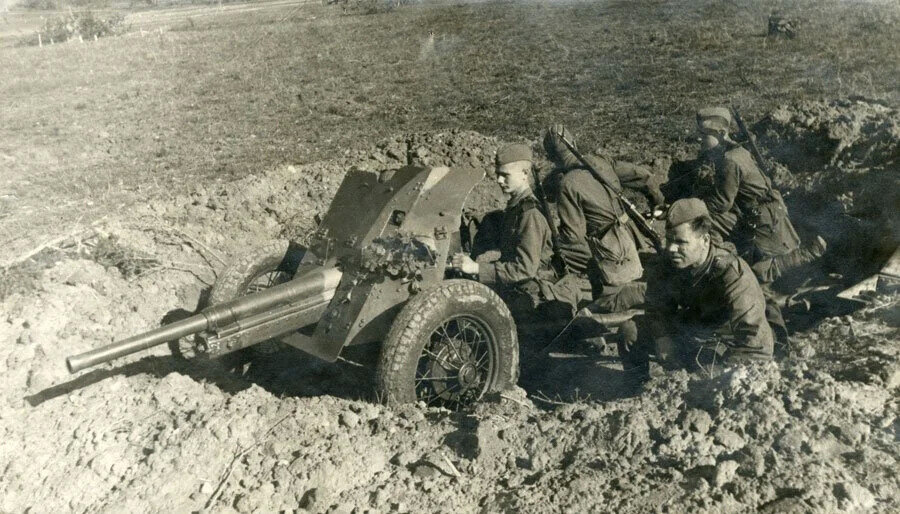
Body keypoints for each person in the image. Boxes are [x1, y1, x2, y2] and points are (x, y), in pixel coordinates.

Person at [623, 199, 775, 380]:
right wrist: (662, 336)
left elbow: (756, 344)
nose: (672, 248)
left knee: (703, 376)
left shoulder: (732, 273)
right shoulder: (669, 264)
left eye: (681, 242)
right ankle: (640, 395)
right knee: (630, 330)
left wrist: (718, 373)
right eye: (669, 240)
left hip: (724, 343)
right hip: (690, 334)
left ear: (705, 240)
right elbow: (656, 309)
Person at [448, 144, 576, 334]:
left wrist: (476, 268)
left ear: (524, 174)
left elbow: (524, 270)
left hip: (536, 297)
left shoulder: (529, 214)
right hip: (521, 288)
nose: (499, 180)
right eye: (498, 174)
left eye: (505, 175)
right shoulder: (515, 208)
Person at [692, 107, 826, 284]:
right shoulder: (737, 152)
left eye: (703, 135)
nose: (698, 139)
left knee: (761, 272)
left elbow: (721, 203)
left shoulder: (730, 161)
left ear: (721, 133)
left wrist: (693, 206)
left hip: (763, 219)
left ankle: (809, 253)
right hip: (764, 212)